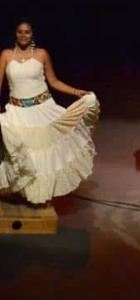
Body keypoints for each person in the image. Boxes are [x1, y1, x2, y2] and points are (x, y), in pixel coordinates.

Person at [0, 21, 99, 205]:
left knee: (42, 155)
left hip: (42, 109)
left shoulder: (41, 54)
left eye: (27, 32)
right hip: (17, 111)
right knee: (23, 153)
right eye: (20, 32)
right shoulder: (6, 55)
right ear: (15, 34)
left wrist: (77, 92)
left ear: (32, 34)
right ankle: (26, 192)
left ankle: (39, 195)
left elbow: (54, 82)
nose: (23, 35)